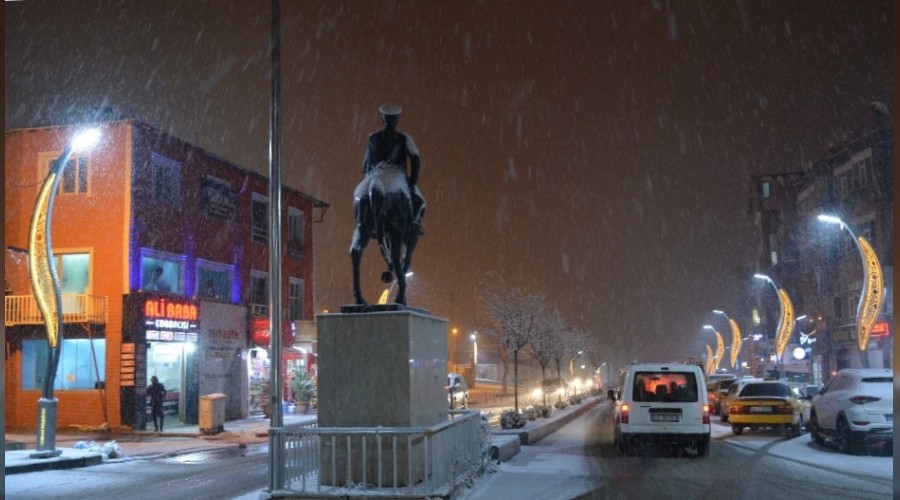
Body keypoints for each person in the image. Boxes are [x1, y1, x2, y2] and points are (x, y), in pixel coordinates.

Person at [363, 103, 427, 235]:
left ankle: (368, 224)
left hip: (376, 176)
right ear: (397, 120)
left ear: (382, 119)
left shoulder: (372, 138)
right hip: (398, 177)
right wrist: (412, 181)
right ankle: (415, 224)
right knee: (421, 202)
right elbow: (415, 159)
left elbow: (365, 165)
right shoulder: (404, 138)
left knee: (362, 198)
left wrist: (369, 178)